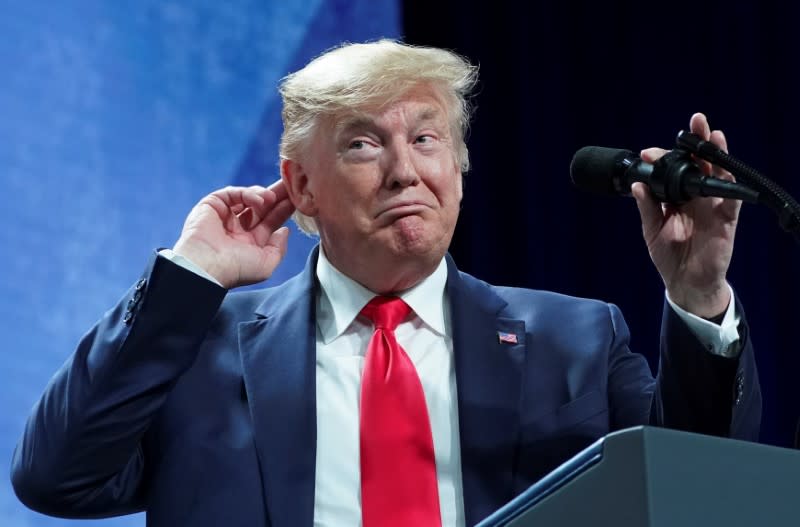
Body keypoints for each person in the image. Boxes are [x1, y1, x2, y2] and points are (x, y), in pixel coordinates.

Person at [11, 40, 760, 527]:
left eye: (427, 138)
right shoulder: (201, 352)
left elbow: (700, 496)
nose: (407, 170)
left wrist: (698, 298)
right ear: (301, 187)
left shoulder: (578, 341)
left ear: (459, 170)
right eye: (365, 142)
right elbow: (56, 477)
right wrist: (191, 275)